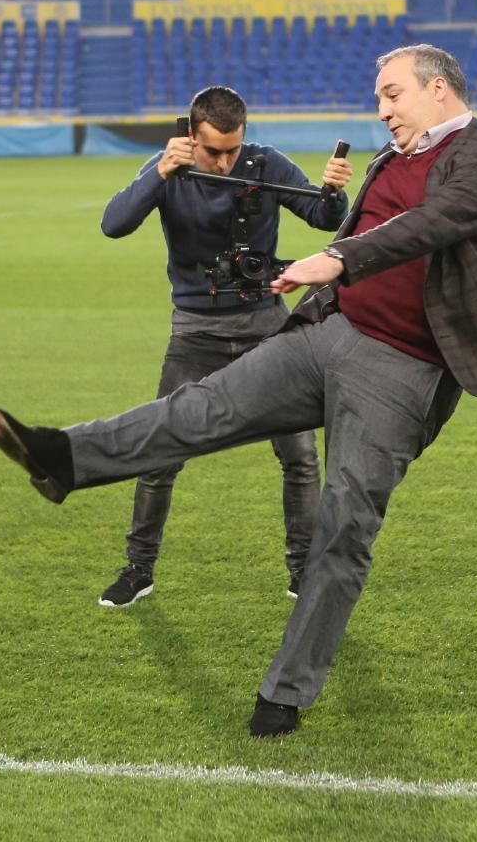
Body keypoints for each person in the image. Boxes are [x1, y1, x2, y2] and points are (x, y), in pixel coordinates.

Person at [0, 44, 477, 738]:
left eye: (392, 94)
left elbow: (428, 224)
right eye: (379, 96)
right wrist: (313, 268)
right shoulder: (391, 157)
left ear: (438, 89)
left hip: (402, 368)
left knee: (342, 529)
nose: (381, 109)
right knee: (200, 408)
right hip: (328, 333)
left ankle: (285, 693)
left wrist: (334, 256)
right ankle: (63, 457)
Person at [94, 85, 351, 608]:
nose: (225, 161)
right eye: (213, 151)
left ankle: (303, 571)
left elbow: (325, 219)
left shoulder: (265, 163)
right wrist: (160, 172)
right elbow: (113, 224)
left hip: (266, 326)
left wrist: (333, 190)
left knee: (300, 456)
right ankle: (138, 569)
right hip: (195, 332)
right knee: (161, 453)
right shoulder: (169, 168)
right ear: (190, 135)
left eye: (233, 149)